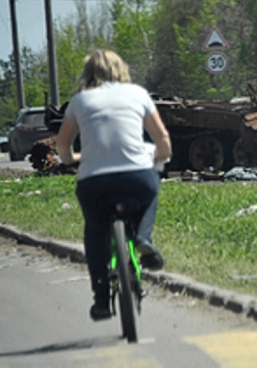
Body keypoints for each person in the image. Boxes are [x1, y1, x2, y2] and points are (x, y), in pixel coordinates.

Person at [56, 49, 172, 321]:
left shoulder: (79, 100)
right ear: (121, 69)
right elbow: (162, 139)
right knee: (151, 190)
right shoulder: (138, 94)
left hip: (94, 182)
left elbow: (62, 144)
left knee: (96, 231)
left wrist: (71, 160)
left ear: (87, 73)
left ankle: (101, 300)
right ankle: (143, 238)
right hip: (136, 176)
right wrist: (160, 155)